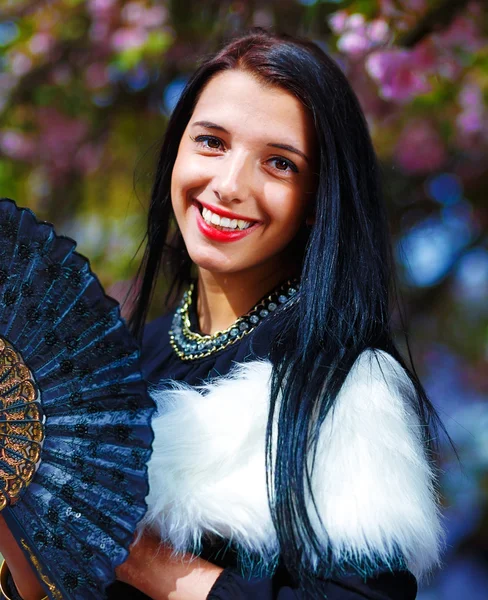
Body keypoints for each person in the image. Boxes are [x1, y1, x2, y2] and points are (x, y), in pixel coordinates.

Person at [1, 29, 444, 600]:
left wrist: (140, 557)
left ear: (316, 202)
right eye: (211, 142)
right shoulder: (118, 361)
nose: (230, 185)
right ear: (176, 152)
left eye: (279, 164)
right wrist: (20, 489)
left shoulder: (347, 390)